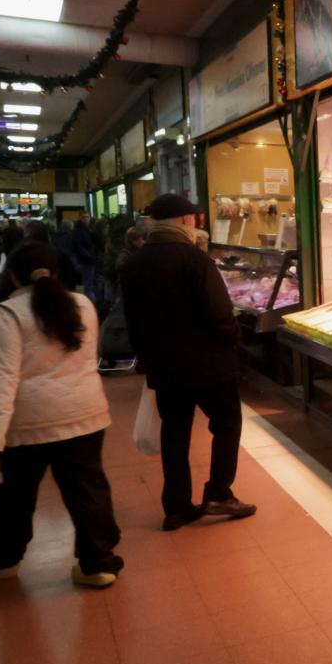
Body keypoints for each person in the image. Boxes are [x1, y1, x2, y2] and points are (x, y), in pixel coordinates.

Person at [0, 242, 123, 588]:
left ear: (11, 275)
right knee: (88, 490)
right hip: (85, 414)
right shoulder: (83, 305)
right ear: (57, 271)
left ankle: (3, 559)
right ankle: (98, 563)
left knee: (17, 492)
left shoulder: (7, 315)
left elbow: (1, 377)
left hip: (29, 423)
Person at [120, 194, 255, 531]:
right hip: (210, 365)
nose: (196, 226)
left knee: (175, 432)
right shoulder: (195, 261)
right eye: (194, 220)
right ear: (183, 221)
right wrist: (233, 342)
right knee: (227, 424)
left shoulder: (134, 263)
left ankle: (177, 507)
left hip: (165, 367)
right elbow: (220, 315)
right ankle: (218, 493)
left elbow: (131, 320)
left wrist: (148, 360)